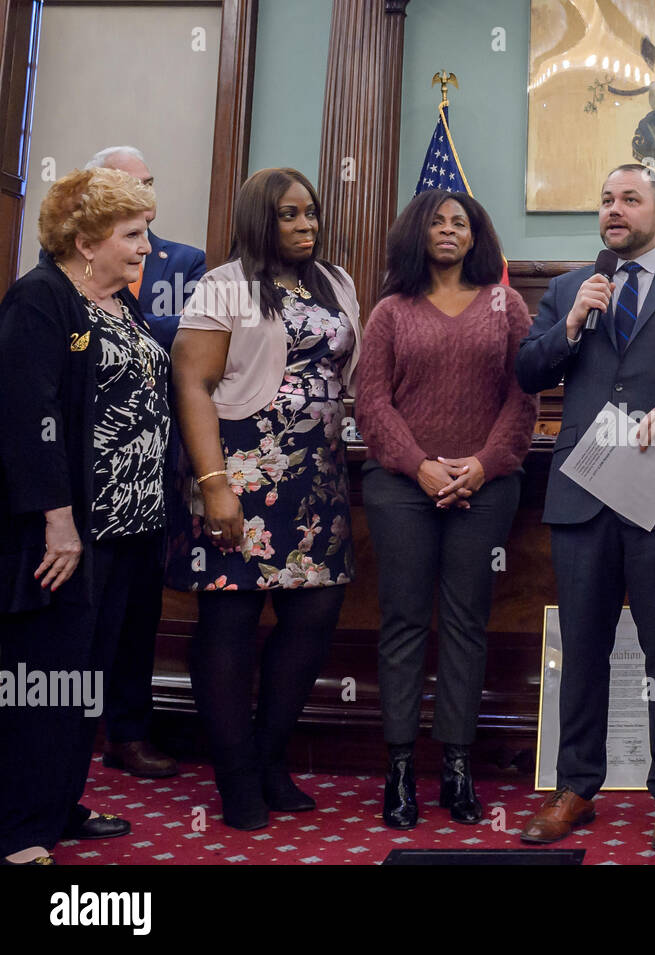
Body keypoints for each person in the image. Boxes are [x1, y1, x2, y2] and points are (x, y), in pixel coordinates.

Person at [515, 163, 655, 852]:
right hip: (583, 496)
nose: (615, 210)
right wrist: (573, 324)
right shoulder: (566, 290)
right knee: (580, 648)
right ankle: (575, 787)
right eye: (607, 200)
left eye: (630, 200)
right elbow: (529, 371)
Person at [168, 167, 363, 831]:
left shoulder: (336, 282)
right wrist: (214, 483)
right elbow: (193, 383)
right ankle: (237, 776)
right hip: (241, 469)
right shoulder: (223, 285)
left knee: (314, 614)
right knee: (230, 621)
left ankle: (268, 754)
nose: (305, 225)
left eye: (310, 214)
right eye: (288, 215)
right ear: (260, 219)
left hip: (318, 473)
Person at [355, 189, 537, 829]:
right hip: (402, 485)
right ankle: (400, 768)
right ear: (417, 232)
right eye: (437, 220)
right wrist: (423, 466)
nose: (449, 230)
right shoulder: (390, 311)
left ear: (477, 236)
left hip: (484, 489)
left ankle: (457, 768)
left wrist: (481, 466)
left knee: (467, 623)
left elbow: (524, 399)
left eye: (462, 222)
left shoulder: (505, 304)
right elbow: (372, 405)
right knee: (404, 621)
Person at [0, 168, 164, 864]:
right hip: (66, 533)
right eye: (132, 235)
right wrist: (57, 520)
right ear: (85, 240)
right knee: (44, 680)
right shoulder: (40, 301)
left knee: (86, 680)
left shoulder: (119, 305)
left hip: (126, 531)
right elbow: (25, 414)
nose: (148, 247)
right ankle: (18, 830)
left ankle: (59, 803)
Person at [84, 145, 205, 780]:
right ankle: (67, 747)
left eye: (150, 183)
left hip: (156, 468)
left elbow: (195, 335)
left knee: (137, 612)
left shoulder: (183, 260)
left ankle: (127, 731)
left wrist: (142, 323)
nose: (146, 196)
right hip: (89, 478)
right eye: (129, 187)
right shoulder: (67, 270)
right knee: (83, 620)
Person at [86, 147, 206, 350]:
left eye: (148, 184)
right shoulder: (76, 252)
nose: (146, 194)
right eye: (133, 185)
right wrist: (168, 323)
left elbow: (196, 331)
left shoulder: (188, 261)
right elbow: (82, 321)